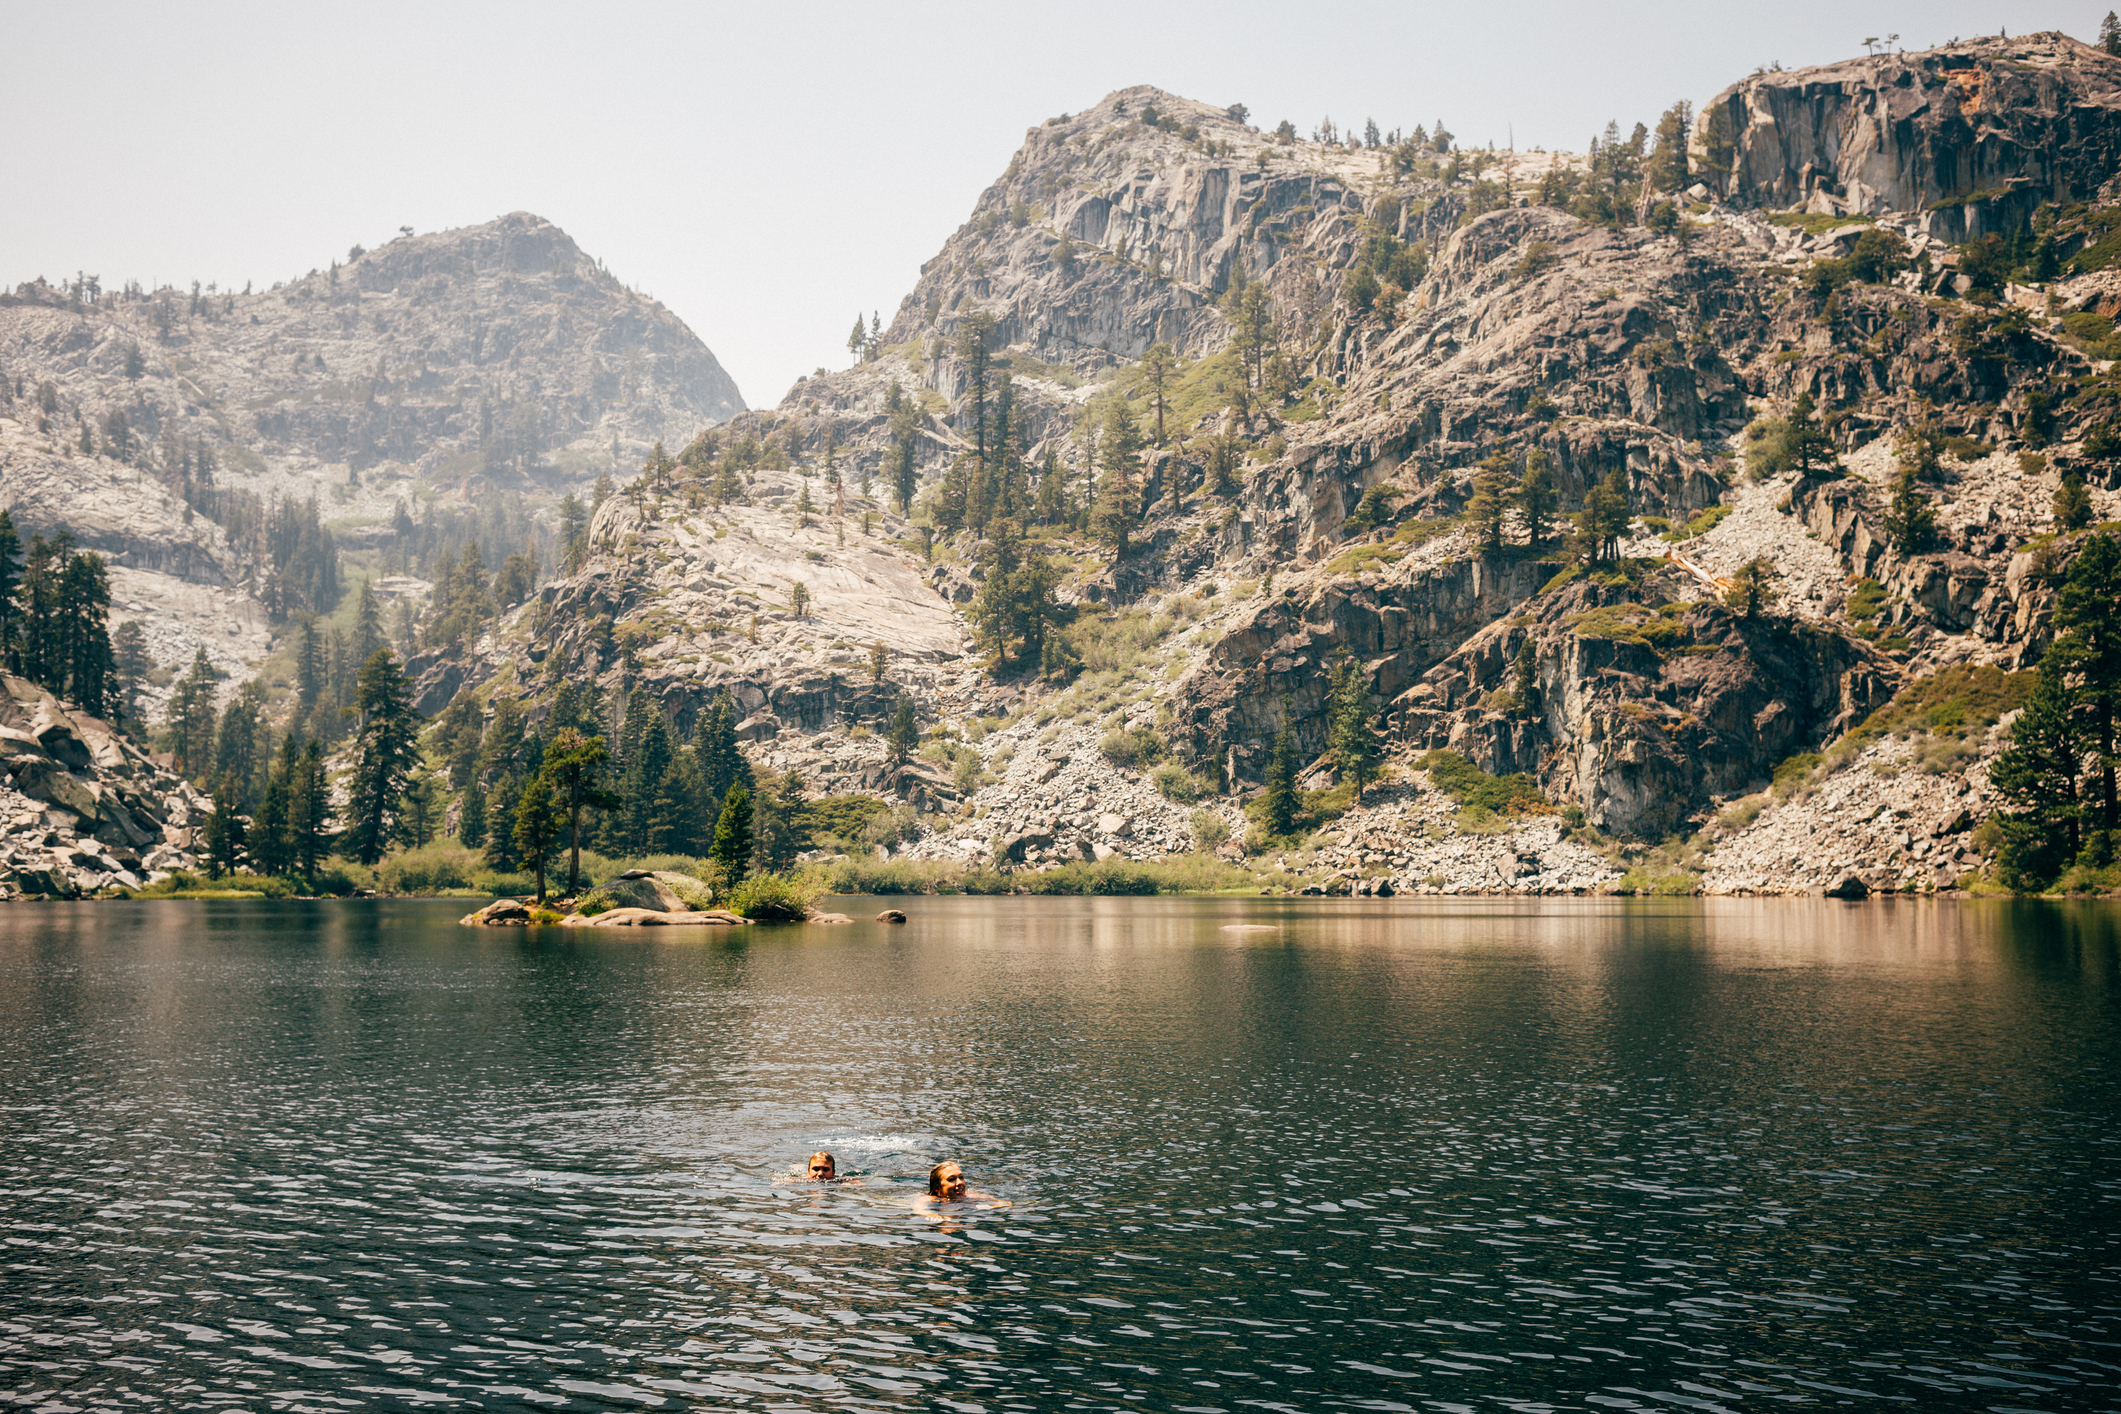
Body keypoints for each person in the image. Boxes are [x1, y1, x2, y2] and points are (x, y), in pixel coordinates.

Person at [915, 1160, 1008, 1211]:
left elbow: (1005, 1203)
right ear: (937, 1188)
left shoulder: (971, 1197)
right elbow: (919, 1209)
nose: (960, 1182)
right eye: (951, 1179)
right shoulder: (931, 1200)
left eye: (961, 1177)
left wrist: (985, 1208)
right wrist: (934, 1216)